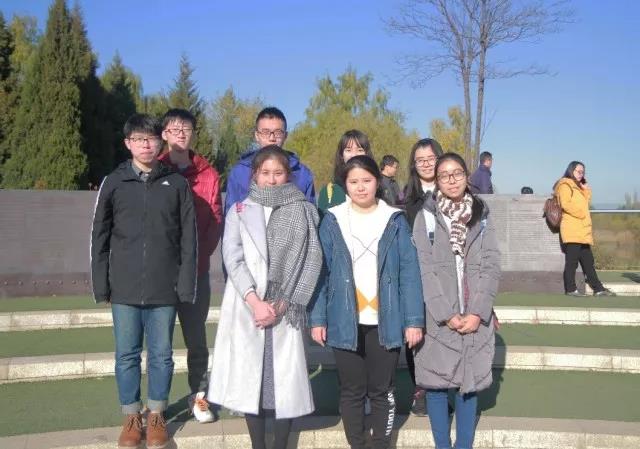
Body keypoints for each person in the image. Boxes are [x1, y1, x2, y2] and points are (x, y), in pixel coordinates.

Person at [91, 114, 197, 449]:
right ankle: (131, 418)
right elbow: (99, 235)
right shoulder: (114, 182)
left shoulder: (176, 184)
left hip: (164, 287)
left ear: (160, 141)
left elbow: (188, 240)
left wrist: (185, 284)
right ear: (128, 144)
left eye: (150, 138)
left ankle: (156, 416)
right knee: (126, 355)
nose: (145, 144)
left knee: (162, 355)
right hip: (123, 287)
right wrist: (101, 284)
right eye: (138, 139)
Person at [208, 146, 322, 449]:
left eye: (278, 173)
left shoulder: (303, 209)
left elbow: (310, 258)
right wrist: (256, 302)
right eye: (265, 173)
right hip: (249, 307)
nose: (272, 179)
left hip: (287, 308)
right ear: (255, 175)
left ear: (288, 176)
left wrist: (283, 303)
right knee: (251, 385)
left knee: (284, 386)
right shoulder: (239, 210)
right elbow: (233, 257)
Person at [309, 155, 425, 449]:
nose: (360, 187)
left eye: (367, 180)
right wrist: (318, 318)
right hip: (344, 318)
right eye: (353, 182)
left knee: (382, 390)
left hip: (386, 319)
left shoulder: (394, 220)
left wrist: (413, 320)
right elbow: (321, 272)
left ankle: (381, 444)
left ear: (378, 181)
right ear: (345, 184)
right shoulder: (332, 220)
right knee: (351, 390)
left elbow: (409, 273)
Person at [412, 152, 500, 449]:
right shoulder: (426, 216)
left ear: (467, 176)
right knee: (436, 385)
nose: (451, 180)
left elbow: (491, 264)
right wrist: (445, 313)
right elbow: (423, 268)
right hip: (439, 314)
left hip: (474, 312)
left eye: (457, 173)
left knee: (468, 383)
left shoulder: (481, 214)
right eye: (444, 175)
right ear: (436, 180)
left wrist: (478, 312)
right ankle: (442, 445)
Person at [158, 108, 223, 423]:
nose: (181, 133)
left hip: (196, 273)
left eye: (186, 128)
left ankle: (199, 397)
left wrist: (197, 257)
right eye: (174, 128)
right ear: (164, 134)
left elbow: (215, 219)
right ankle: (157, 405)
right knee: (160, 343)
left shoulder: (209, 174)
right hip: (160, 274)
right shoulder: (155, 170)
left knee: (197, 341)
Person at [401, 137, 444, 416]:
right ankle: (420, 390)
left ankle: (440, 390)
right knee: (416, 334)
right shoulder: (407, 199)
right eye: (420, 160)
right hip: (417, 276)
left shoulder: (453, 194)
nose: (426, 164)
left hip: (446, 278)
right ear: (413, 165)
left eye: (431, 158)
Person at [224, 107, 315, 212]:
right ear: (257, 136)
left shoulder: (302, 174)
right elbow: (230, 215)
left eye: (278, 132)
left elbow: (311, 215)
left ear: (285, 136)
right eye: (265, 132)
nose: (272, 138)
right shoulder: (239, 172)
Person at [554, 161, 615, 297]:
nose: (581, 174)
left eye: (583, 172)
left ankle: (598, 289)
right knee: (572, 262)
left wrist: (586, 189)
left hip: (582, 231)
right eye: (579, 171)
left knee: (588, 262)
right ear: (571, 171)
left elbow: (585, 203)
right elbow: (565, 204)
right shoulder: (565, 185)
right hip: (572, 229)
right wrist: (581, 213)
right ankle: (571, 289)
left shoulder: (577, 187)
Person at [317, 129, 373, 213]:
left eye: (360, 150)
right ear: (342, 155)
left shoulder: (377, 189)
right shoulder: (329, 192)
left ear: (367, 154)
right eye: (348, 150)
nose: (354, 155)